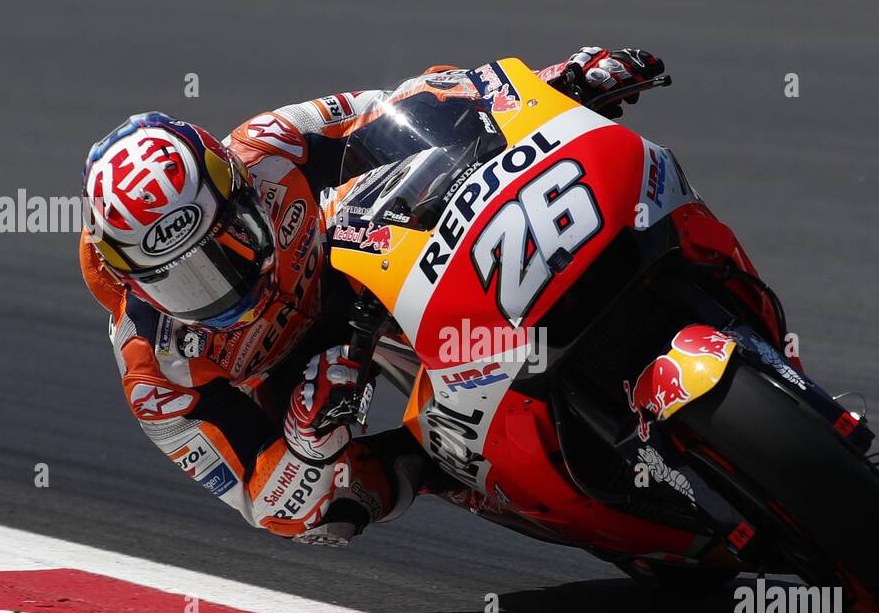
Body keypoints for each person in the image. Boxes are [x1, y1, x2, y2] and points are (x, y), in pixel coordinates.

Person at [78, 48, 665, 545]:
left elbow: (410, 105)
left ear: (237, 186)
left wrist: (554, 83)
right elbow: (264, 503)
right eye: (180, 281)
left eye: (227, 245)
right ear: (136, 282)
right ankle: (442, 469)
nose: (219, 286)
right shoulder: (154, 371)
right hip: (292, 380)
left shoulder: (269, 148)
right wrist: (309, 445)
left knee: (443, 170)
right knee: (330, 511)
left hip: (344, 262)